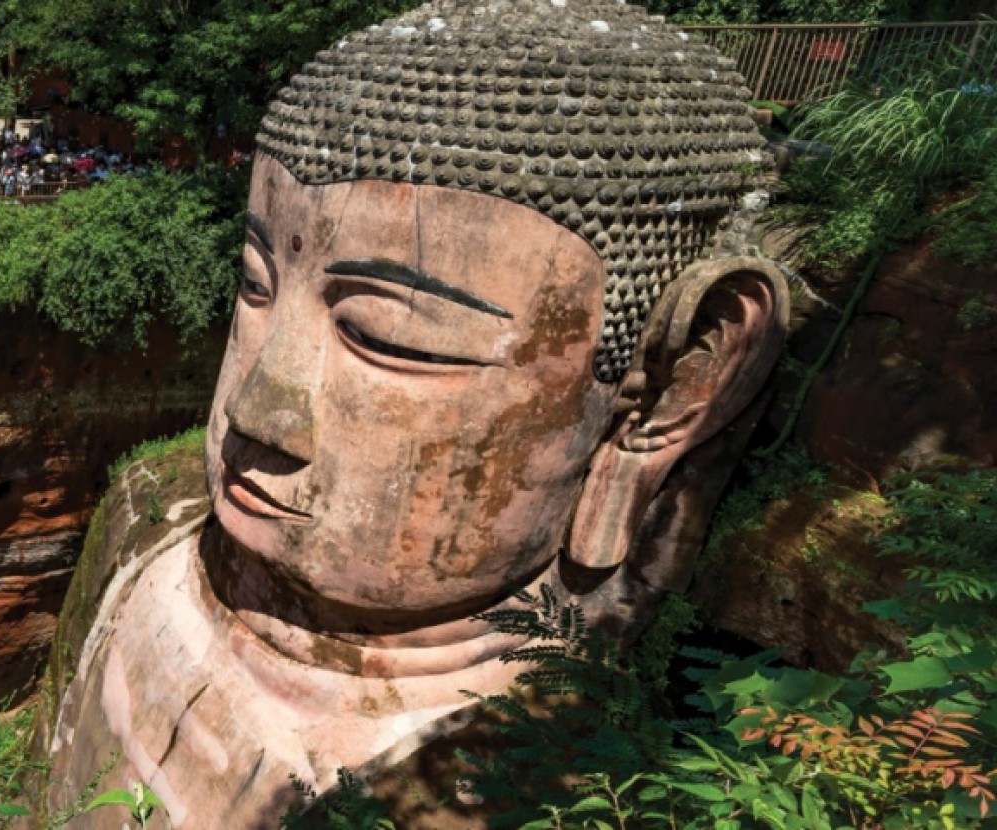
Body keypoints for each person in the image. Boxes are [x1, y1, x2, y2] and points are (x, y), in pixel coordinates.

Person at [41, 0, 786, 825]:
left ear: (675, 387)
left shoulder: (540, 784)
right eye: (256, 286)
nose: (257, 412)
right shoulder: (148, 550)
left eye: (384, 336)